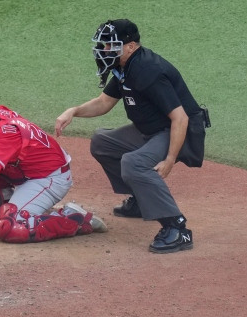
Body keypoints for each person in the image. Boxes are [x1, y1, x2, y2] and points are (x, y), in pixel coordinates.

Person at [55, 19, 209, 254]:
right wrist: (74, 111)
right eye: (103, 45)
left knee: (133, 163)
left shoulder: (148, 70)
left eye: (109, 45)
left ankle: (177, 228)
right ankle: (140, 200)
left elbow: (181, 118)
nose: (104, 50)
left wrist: (169, 159)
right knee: (101, 142)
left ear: (131, 46)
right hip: (151, 130)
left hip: (178, 132)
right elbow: (104, 103)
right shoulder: (125, 67)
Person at [0, 84, 107, 244]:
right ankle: (2, 205)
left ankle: (74, 218)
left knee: (11, 227)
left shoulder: (0, 135)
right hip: (31, 170)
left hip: (49, 177)